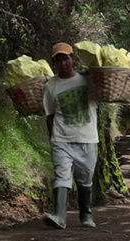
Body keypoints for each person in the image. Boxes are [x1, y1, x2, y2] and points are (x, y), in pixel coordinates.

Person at [42, 42, 99, 229]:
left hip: (87, 138)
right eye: (58, 60)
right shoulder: (51, 85)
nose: (63, 62)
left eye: (65, 58)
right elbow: (50, 115)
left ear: (72, 59)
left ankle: (86, 215)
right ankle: (59, 216)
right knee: (62, 176)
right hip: (61, 139)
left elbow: (103, 92)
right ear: (54, 63)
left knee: (85, 179)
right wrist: (52, 138)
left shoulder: (87, 80)